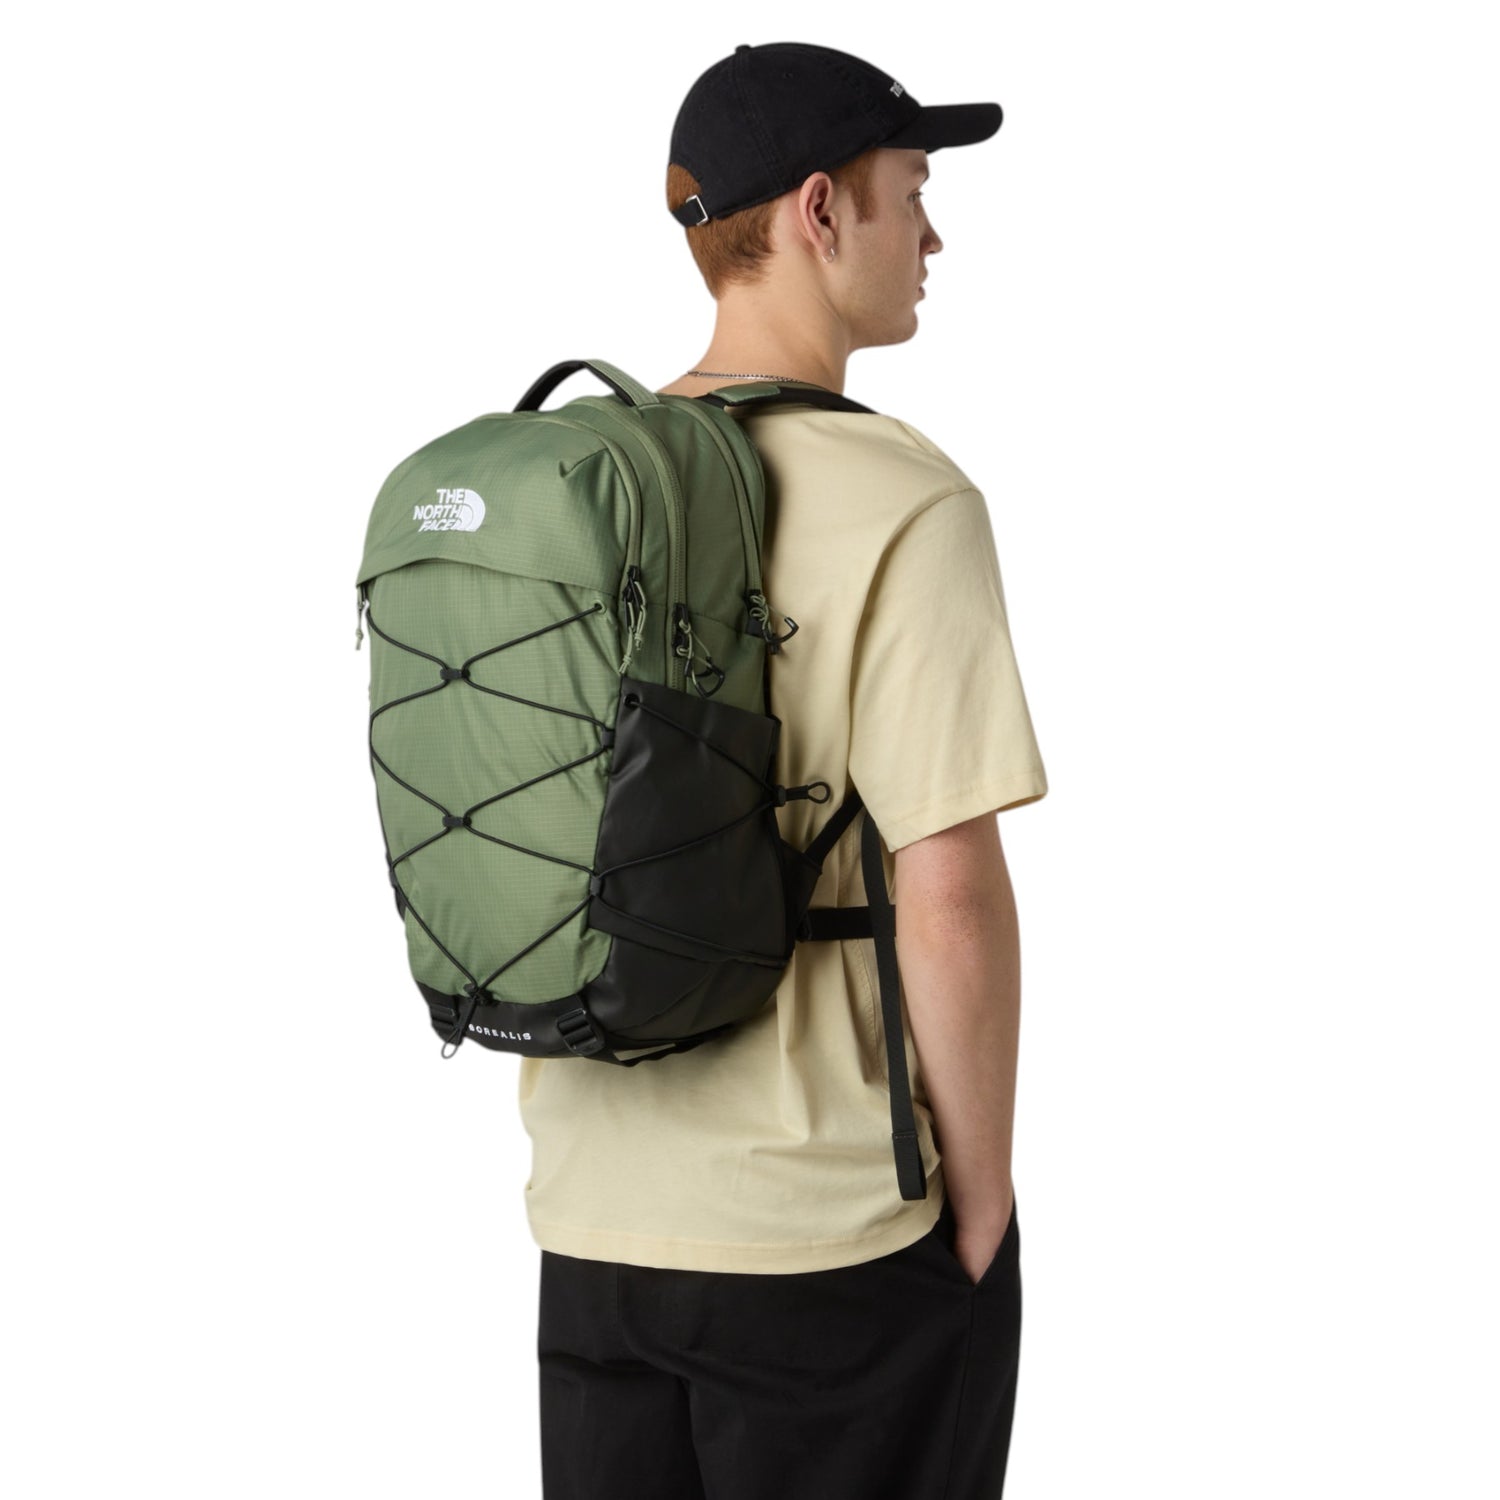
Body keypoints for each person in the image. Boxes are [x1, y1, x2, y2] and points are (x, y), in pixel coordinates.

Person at [518, 41, 1048, 1500]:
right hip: (825, 1243)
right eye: (911, 194)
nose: (931, 237)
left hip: (594, 1228)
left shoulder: (580, 478)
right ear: (821, 210)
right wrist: (982, 1206)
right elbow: (950, 899)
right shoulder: (905, 499)